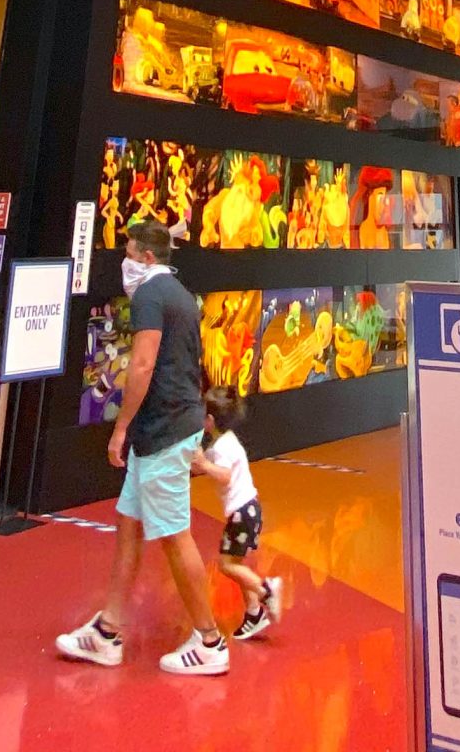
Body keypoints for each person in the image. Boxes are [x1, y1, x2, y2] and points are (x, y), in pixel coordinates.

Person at [56, 220, 227, 677]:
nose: (125, 261)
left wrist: (120, 427)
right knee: (129, 524)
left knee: (173, 534)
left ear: (147, 257)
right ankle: (107, 631)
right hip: (165, 427)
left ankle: (210, 641)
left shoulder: (150, 295)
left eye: (129, 253)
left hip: (163, 430)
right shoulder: (181, 295)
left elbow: (144, 363)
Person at [192, 386, 282, 642]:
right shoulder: (225, 441)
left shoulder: (221, 448)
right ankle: (253, 613)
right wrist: (198, 461)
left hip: (242, 513)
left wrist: (204, 464)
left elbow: (224, 475)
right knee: (236, 562)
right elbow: (201, 467)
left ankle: (266, 590)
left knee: (227, 565)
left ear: (210, 420)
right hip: (248, 510)